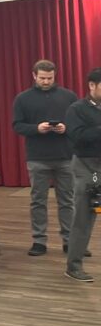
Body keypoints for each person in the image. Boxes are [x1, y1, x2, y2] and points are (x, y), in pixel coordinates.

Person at [12, 60, 77, 256]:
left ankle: (70, 241)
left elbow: (79, 123)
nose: (46, 81)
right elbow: (17, 125)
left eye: (49, 78)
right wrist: (36, 128)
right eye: (42, 78)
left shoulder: (69, 96)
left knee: (67, 201)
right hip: (37, 157)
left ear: (55, 75)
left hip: (65, 157)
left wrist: (66, 128)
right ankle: (39, 241)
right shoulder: (23, 99)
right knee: (38, 201)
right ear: (34, 76)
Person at [64, 68, 101, 282]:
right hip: (89, 168)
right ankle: (73, 266)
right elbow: (78, 137)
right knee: (85, 217)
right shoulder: (77, 109)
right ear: (92, 86)